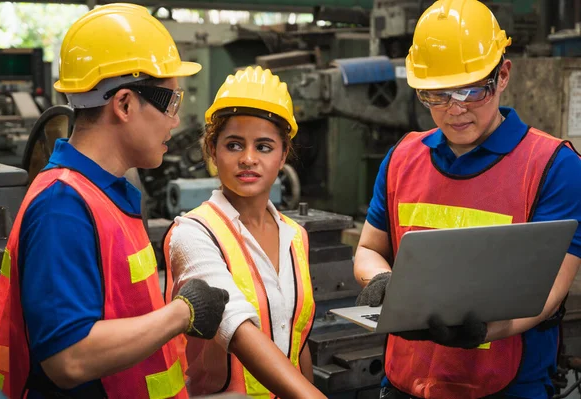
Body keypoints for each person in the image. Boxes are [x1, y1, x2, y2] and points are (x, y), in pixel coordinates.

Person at [0, 4, 229, 398]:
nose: (176, 120)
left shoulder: (106, 195)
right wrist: (183, 312)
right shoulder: (62, 207)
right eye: (171, 102)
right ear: (125, 104)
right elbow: (69, 359)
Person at [353, 0, 581, 398]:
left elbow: (547, 293)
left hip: (507, 386)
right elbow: (369, 248)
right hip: (405, 381)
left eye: (471, 89)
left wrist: (483, 331)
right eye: (436, 95)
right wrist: (381, 281)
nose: (455, 109)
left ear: (503, 74)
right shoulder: (403, 158)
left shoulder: (553, 166)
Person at [163, 66, 326, 399]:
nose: (248, 159)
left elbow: (296, 340)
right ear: (212, 150)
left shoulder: (295, 236)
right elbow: (236, 328)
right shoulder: (193, 234)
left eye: (264, 147)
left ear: (283, 156)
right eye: (234, 145)